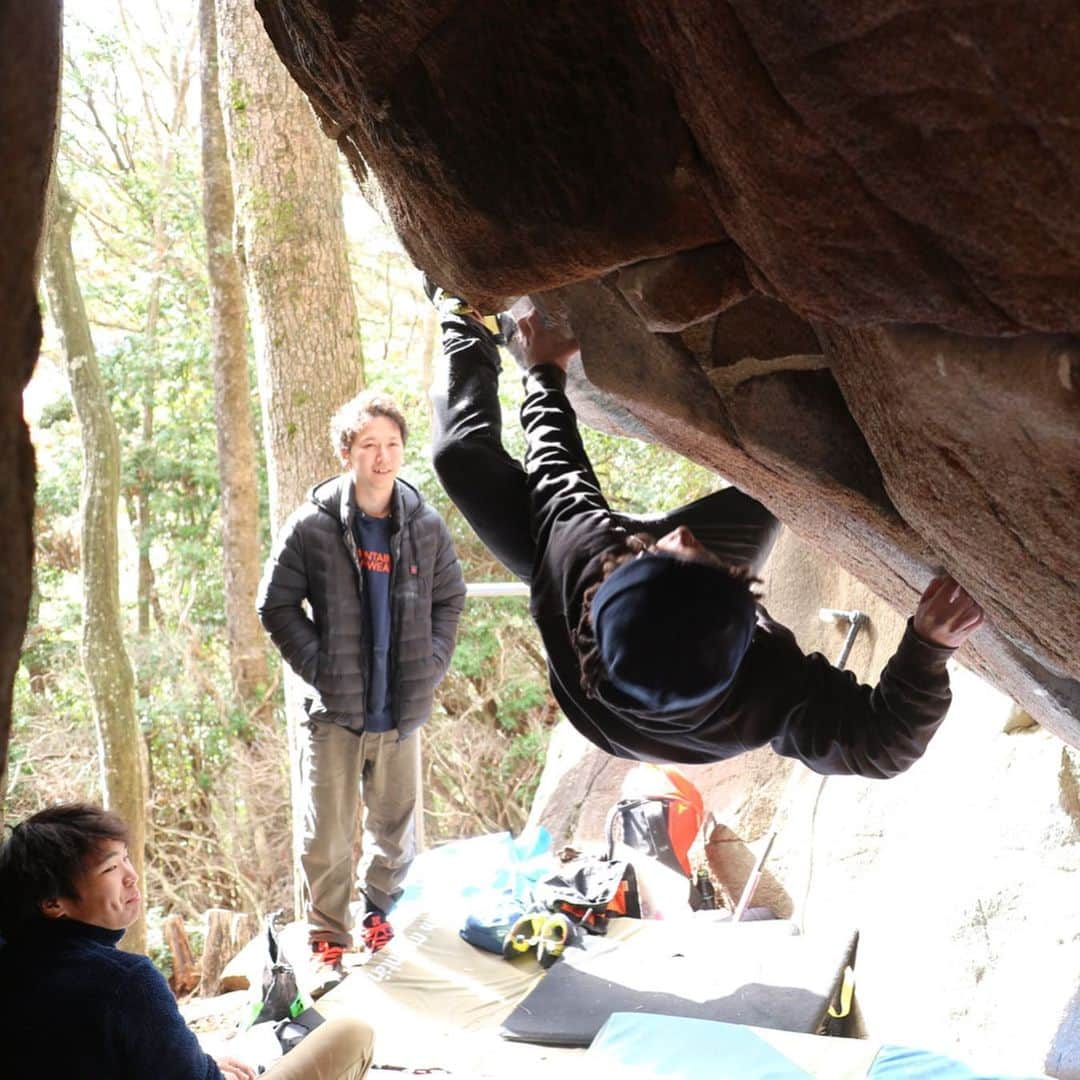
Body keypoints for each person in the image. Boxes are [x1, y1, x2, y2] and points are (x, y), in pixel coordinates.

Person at [428, 287, 985, 777]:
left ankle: (462, 319)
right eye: (701, 559)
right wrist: (929, 646)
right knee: (800, 480)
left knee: (458, 457)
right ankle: (701, 557)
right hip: (662, 593)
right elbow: (883, 747)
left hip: (603, 584)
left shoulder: (577, 564)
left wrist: (542, 371)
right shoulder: (769, 692)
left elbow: (559, 468)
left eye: (667, 552)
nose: (684, 538)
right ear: (748, 621)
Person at [258, 390, 465, 992]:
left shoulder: (424, 525)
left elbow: (450, 600)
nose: (383, 457)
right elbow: (274, 603)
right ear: (346, 452)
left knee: (395, 826)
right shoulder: (314, 526)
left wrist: (430, 663)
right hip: (335, 711)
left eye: (393, 445)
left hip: (401, 706)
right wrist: (319, 666)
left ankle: (380, 915)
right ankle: (328, 938)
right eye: (370, 445)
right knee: (327, 831)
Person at [0, 803, 375, 1080]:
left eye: (126, 860)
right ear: (53, 903)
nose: (131, 877)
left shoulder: (13, 963)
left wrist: (200, 1059)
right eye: (110, 869)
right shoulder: (123, 982)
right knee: (351, 1034)